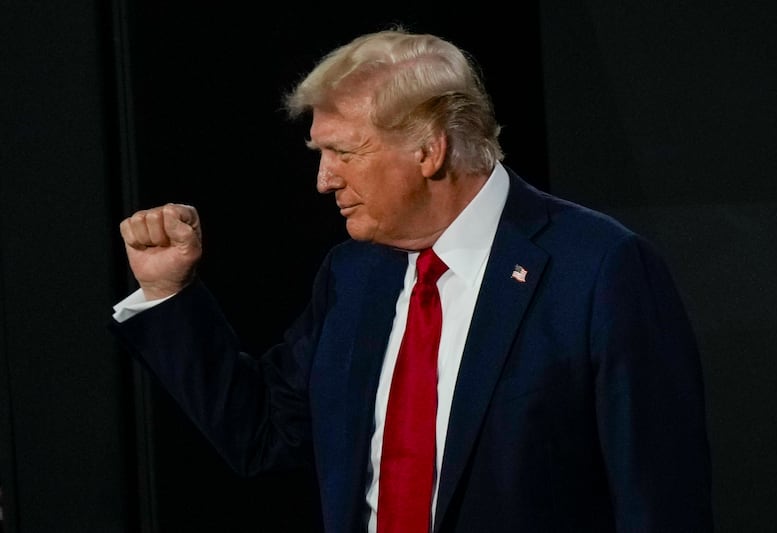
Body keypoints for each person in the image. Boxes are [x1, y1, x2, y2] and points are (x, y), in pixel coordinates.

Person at [110, 27, 713, 532]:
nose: (324, 180)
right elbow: (263, 433)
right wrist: (170, 293)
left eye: (344, 153)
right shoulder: (353, 274)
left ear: (429, 150)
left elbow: (658, 502)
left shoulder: (599, 269)